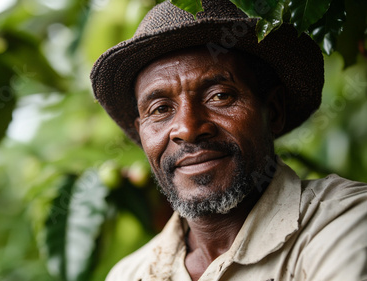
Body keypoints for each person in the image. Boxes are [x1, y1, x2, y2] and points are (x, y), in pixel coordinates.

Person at [90, 0, 367, 280]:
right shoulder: (129, 274)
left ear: (273, 111)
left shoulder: (345, 223)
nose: (187, 128)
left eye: (220, 96)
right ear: (141, 132)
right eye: (160, 109)